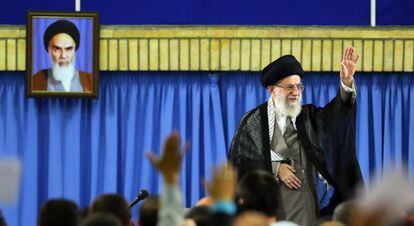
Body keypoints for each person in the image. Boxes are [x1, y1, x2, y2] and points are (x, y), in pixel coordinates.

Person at [229, 47, 364, 226]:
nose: (296, 92)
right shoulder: (254, 122)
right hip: (273, 211)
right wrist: (275, 168)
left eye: (299, 86)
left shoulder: (309, 116)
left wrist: (346, 83)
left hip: (309, 207)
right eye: (289, 87)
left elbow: (335, 119)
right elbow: (240, 165)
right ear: (272, 90)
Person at [32, 19, 92, 92]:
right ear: (48, 50)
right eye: (57, 49)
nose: (63, 55)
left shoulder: (90, 80)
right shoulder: (35, 81)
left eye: (68, 49)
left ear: (75, 49)